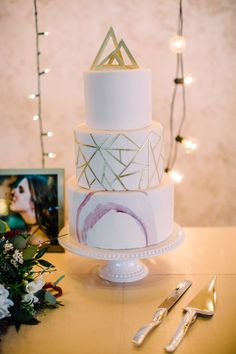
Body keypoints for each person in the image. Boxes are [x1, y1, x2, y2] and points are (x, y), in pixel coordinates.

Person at [8, 175, 58, 245]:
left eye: (21, 190)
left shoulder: (39, 240)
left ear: (34, 201)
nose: (13, 192)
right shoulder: (28, 231)